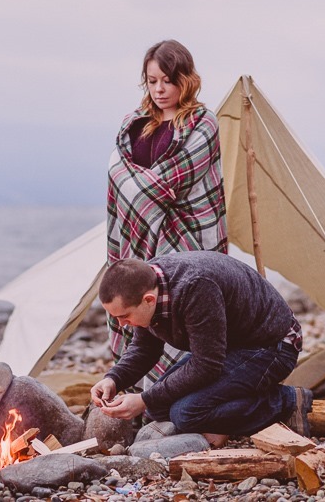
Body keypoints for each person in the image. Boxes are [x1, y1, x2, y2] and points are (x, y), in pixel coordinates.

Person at [106, 40, 228, 390]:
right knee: (138, 313)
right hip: (137, 240)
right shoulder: (134, 123)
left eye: (167, 80)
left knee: (180, 311)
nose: (159, 89)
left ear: (185, 80)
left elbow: (175, 178)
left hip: (187, 234)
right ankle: (138, 400)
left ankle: (177, 396)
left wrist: (136, 186)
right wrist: (137, 187)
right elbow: (115, 173)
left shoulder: (202, 122)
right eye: (151, 80)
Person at [90, 251, 312, 440]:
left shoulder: (195, 288)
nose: (121, 324)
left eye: (125, 316)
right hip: (228, 347)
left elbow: (206, 365)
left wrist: (143, 399)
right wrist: (113, 378)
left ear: (148, 300)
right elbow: (145, 348)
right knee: (158, 407)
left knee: (186, 414)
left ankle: (287, 401)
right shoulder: (147, 286)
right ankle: (229, 414)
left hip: (272, 346)